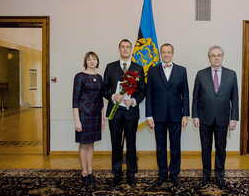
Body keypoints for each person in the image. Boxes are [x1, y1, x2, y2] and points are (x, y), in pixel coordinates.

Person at [192, 45, 239, 190]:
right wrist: (195, 116)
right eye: (213, 55)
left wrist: (233, 118)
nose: (216, 58)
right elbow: (195, 97)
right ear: (209, 58)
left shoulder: (231, 74)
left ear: (222, 57)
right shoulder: (201, 74)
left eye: (219, 55)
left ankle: (219, 177)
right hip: (204, 118)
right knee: (205, 149)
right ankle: (205, 176)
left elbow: (235, 99)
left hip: (223, 119)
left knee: (220, 148)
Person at [102, 39, 145, 187]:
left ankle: (131, 173)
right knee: (116, 144)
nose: (125, 49)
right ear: (119, 49)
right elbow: (104, 89)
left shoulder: (138, 68)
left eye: (128, 47)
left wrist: (134, 100)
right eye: (123, 47)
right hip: (114, 113)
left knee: (131, 144)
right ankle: (117, 173)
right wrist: (112, 96)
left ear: (131, 49)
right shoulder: (110, 67)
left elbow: (142, 91)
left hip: (131, 112)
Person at [146, 43, 190, 188]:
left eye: (168, 52)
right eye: (163, 52)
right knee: (160, 147)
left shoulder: (181, 70)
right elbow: (149, 95)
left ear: (172, 53)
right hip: (158, 116)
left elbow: (186, 94)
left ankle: (174, 174)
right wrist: (149, 116)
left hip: (176, 115)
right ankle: (162, 174)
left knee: (175, 146)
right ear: (160, 53)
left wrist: (185, 115)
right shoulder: (152, 71)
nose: (166, 54)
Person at [72, 51, 105, 187]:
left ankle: (91, 171)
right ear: (86, 61)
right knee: (84, 144)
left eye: (94, 59)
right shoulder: (80, 76)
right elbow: (75, 100)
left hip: (96, 114)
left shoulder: (100, 77)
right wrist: (77, 120)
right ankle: (84, 172)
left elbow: (101, 99)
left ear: (97, 61)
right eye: (89, 59)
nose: (92, 61)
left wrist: (103, 119)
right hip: (84, 114)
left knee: (91, 144)